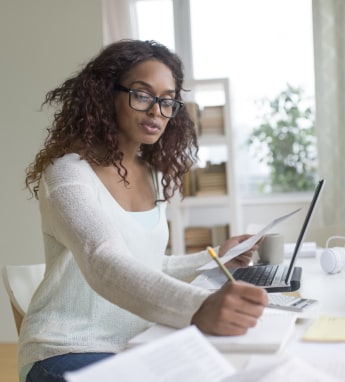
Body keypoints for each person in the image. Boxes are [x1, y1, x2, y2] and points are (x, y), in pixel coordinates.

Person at [20, 39, 268, 382]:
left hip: (140, 345)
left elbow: (147, 264)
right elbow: (103, 261)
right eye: (142, 94)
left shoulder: (152, 174)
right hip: (67, 352)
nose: (156, 111)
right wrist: (198, 307)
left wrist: (215, 259)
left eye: (167, 101)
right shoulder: (67, 174)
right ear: (107, 94)